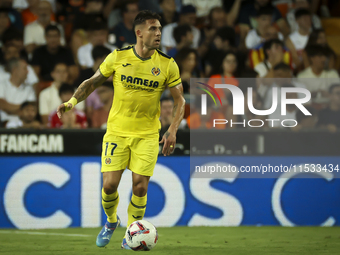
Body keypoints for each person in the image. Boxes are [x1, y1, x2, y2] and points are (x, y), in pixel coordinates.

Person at [56, 10, 185, 249]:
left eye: (159, 29)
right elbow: (92, 82)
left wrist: (172, 130)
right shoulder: (118, 57)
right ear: (139, 33)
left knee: (140, 185)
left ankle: (130, 235)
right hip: (117, 132)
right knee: (109, 185)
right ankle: (111, 221)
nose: (158, 33)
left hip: (147, 134)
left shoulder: (167, 64)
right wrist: (72, 102)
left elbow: (180, 101)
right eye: (152, 29)